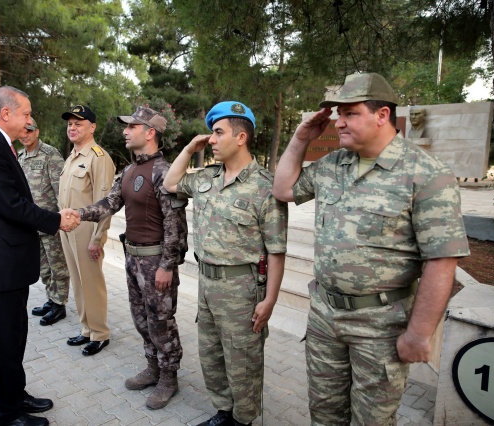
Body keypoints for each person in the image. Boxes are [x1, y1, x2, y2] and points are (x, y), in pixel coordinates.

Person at [272, 72, 470, 425]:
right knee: (324, 413)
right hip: (325, 316)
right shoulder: (334, 164)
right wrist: (300, 138)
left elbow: (441, 262)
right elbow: (283, 189)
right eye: (339, 114)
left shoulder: (426, 173)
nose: (339, 122)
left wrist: (419, 334)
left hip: (382, 325)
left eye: (350, 113)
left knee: (372, 420)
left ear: (382, 115)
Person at [0, 86, 80, 426]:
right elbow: (10, 205)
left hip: (5, 265)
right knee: (4, 343)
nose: (30, 120)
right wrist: (56, 220)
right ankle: (6, 413)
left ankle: (16, 395)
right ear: (6, 113)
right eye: (26, 113)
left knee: (14, 337)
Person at [163, 101, 288, 426]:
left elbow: (276, 250)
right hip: (207, 283)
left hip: (242, 289)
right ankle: (223, 411)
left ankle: (243, 419)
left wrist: (270, 300)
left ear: (241, 137)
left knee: (242, 359)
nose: (212, 140)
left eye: (218, 133)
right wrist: (189, 149)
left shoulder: (266, 186)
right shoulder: (206, 178)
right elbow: (170, 184)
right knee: (211, 353)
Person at [77, 106, 188, 409]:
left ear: (150, 133)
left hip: (156, 262)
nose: (125, 132)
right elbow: (109, 203)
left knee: (161, 322)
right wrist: (78, 213)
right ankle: (153, 367)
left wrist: (167, 265)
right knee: (141, 320)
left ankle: (169, 377)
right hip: (133, 258)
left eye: (132, 127)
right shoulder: (128, 171)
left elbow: (174, 224)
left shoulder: (164, 172)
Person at [58, 105, 116, 357]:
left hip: (86, 230)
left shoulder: (98, 157)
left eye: (78, 124)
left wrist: (97, 238)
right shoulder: (72, 156)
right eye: (70, 124)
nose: (72, 128)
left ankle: (100, 333)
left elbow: (105, 203)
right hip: (67, 229)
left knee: (91, 283)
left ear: (92, 128)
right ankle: (86, 329)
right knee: (78, 281)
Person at [18, 118, 70, 326]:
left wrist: (62, 219)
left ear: (37, 132)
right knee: (43, 267)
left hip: (50, 222)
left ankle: (60, 304)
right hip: (32, 223)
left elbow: (61, 191)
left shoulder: (50, 154)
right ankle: (51, 298)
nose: (25, 135)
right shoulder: (20, 157)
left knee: (58, 266)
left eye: (29, 131)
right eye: (23, 131)